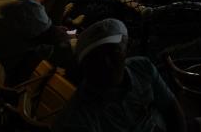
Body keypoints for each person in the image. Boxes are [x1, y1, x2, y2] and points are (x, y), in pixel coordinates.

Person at [54, 18, 186, 132]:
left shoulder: (142, 66)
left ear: (127, 49)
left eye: (113, 52)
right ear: (85, 66)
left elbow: (171, 107)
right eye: (96, 58)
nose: (107, 63)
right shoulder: (77, 120)